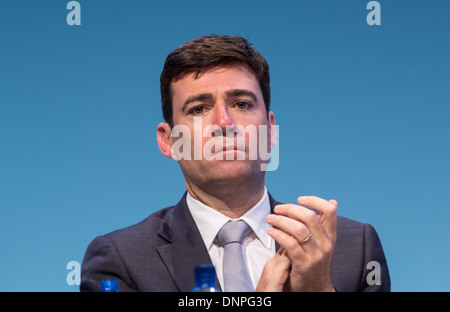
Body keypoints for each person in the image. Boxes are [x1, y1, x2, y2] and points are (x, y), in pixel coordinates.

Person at [80, 35, 390, 292]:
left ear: (270, 131)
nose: (224, 122)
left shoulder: (355, 250)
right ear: (169, 141)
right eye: (199, 108)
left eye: (241, 104)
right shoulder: (120, 261)